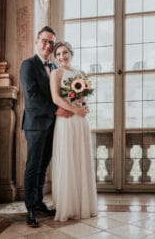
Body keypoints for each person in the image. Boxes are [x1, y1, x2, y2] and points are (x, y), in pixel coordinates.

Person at [20, 26, 72, 228]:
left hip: (53, 125)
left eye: (51, 42)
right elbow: (32, 97)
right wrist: (56, 111)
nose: (48, 45)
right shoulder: (28, 65)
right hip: (36, 125)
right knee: (33, 166)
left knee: (43, 166)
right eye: (45, 41)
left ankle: (39, 202)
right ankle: (30, 209)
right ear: (36, 41)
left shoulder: (53, 66)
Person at [50, 41, 98, 221]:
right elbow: (55, 98)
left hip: (81, 122)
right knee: (68, 159)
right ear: (56, 57)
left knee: (81, 158)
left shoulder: (81, 74)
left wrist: (84, 107)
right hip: (66, 120)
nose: (62, 56)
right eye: (58, 54)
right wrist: (75, 110)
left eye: (64, 53)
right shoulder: (56, 73)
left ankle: (83, 204)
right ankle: (68, 205)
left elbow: (84, 98)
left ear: (71, 53)